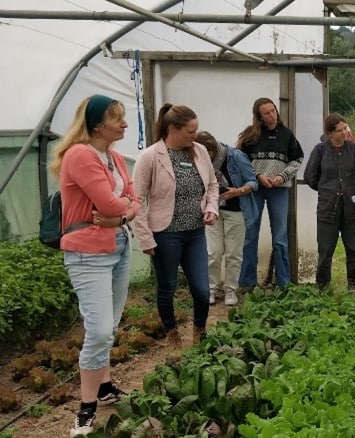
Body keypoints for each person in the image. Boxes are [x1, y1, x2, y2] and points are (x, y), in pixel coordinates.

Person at [51, 95, 140, 437]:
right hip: (88, 252)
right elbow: (108, 201)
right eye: (118, 119)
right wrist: (124, 208)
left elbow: (131, 200)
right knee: (100, 330)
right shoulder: (80, 155)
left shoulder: (114, 157)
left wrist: (122, 214)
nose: (125, 124)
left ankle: (104, 389)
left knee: (110, 323)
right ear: (97, 124)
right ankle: (85, 411)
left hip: (117, 245)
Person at [132, 104, 218, 349]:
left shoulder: (199, 151)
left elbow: (212, 185)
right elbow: (136, 200)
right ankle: (172, 333)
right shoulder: (150, 157)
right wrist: (145, 238)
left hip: (195, 233)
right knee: (167, 287)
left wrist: (210, 209)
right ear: (173, 129)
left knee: (202, 290)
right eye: (190, 131)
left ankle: (199, 331)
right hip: (165, 234)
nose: (195, 136)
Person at [237, 98, 304, 292]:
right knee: (251, 234)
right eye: (266, 113)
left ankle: (283, 282)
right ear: (259, 116)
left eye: (273, 110)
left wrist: (282, 176)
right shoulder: (250, 135)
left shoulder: (286, 134)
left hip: (279, 190)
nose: (272, 115)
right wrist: (257, 176)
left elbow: (297, 159)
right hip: (255, 189)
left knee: (280, 237)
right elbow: (240, 160)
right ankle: (247, 281)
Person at [304, 113, 355, 291]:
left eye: (345, 129)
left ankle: (352, 282)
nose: (344, 133)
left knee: (354, 247)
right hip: (328, 207)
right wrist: (327, 189)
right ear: (329, 133)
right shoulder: (320, 150)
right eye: (339, 130)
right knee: (325, 250)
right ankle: (323, 285)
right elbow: (310, 177)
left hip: (353, 207)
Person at [197, 131, 258, 306]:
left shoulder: (236, 157)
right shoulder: (199, 159)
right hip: (212, 210)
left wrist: (237, 191)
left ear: (213, 149)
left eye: (205, 153)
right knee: (213, 253)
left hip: (236, 211)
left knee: (234, 254)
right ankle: (211, 289)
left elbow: (253, 182)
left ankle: (231, 289)